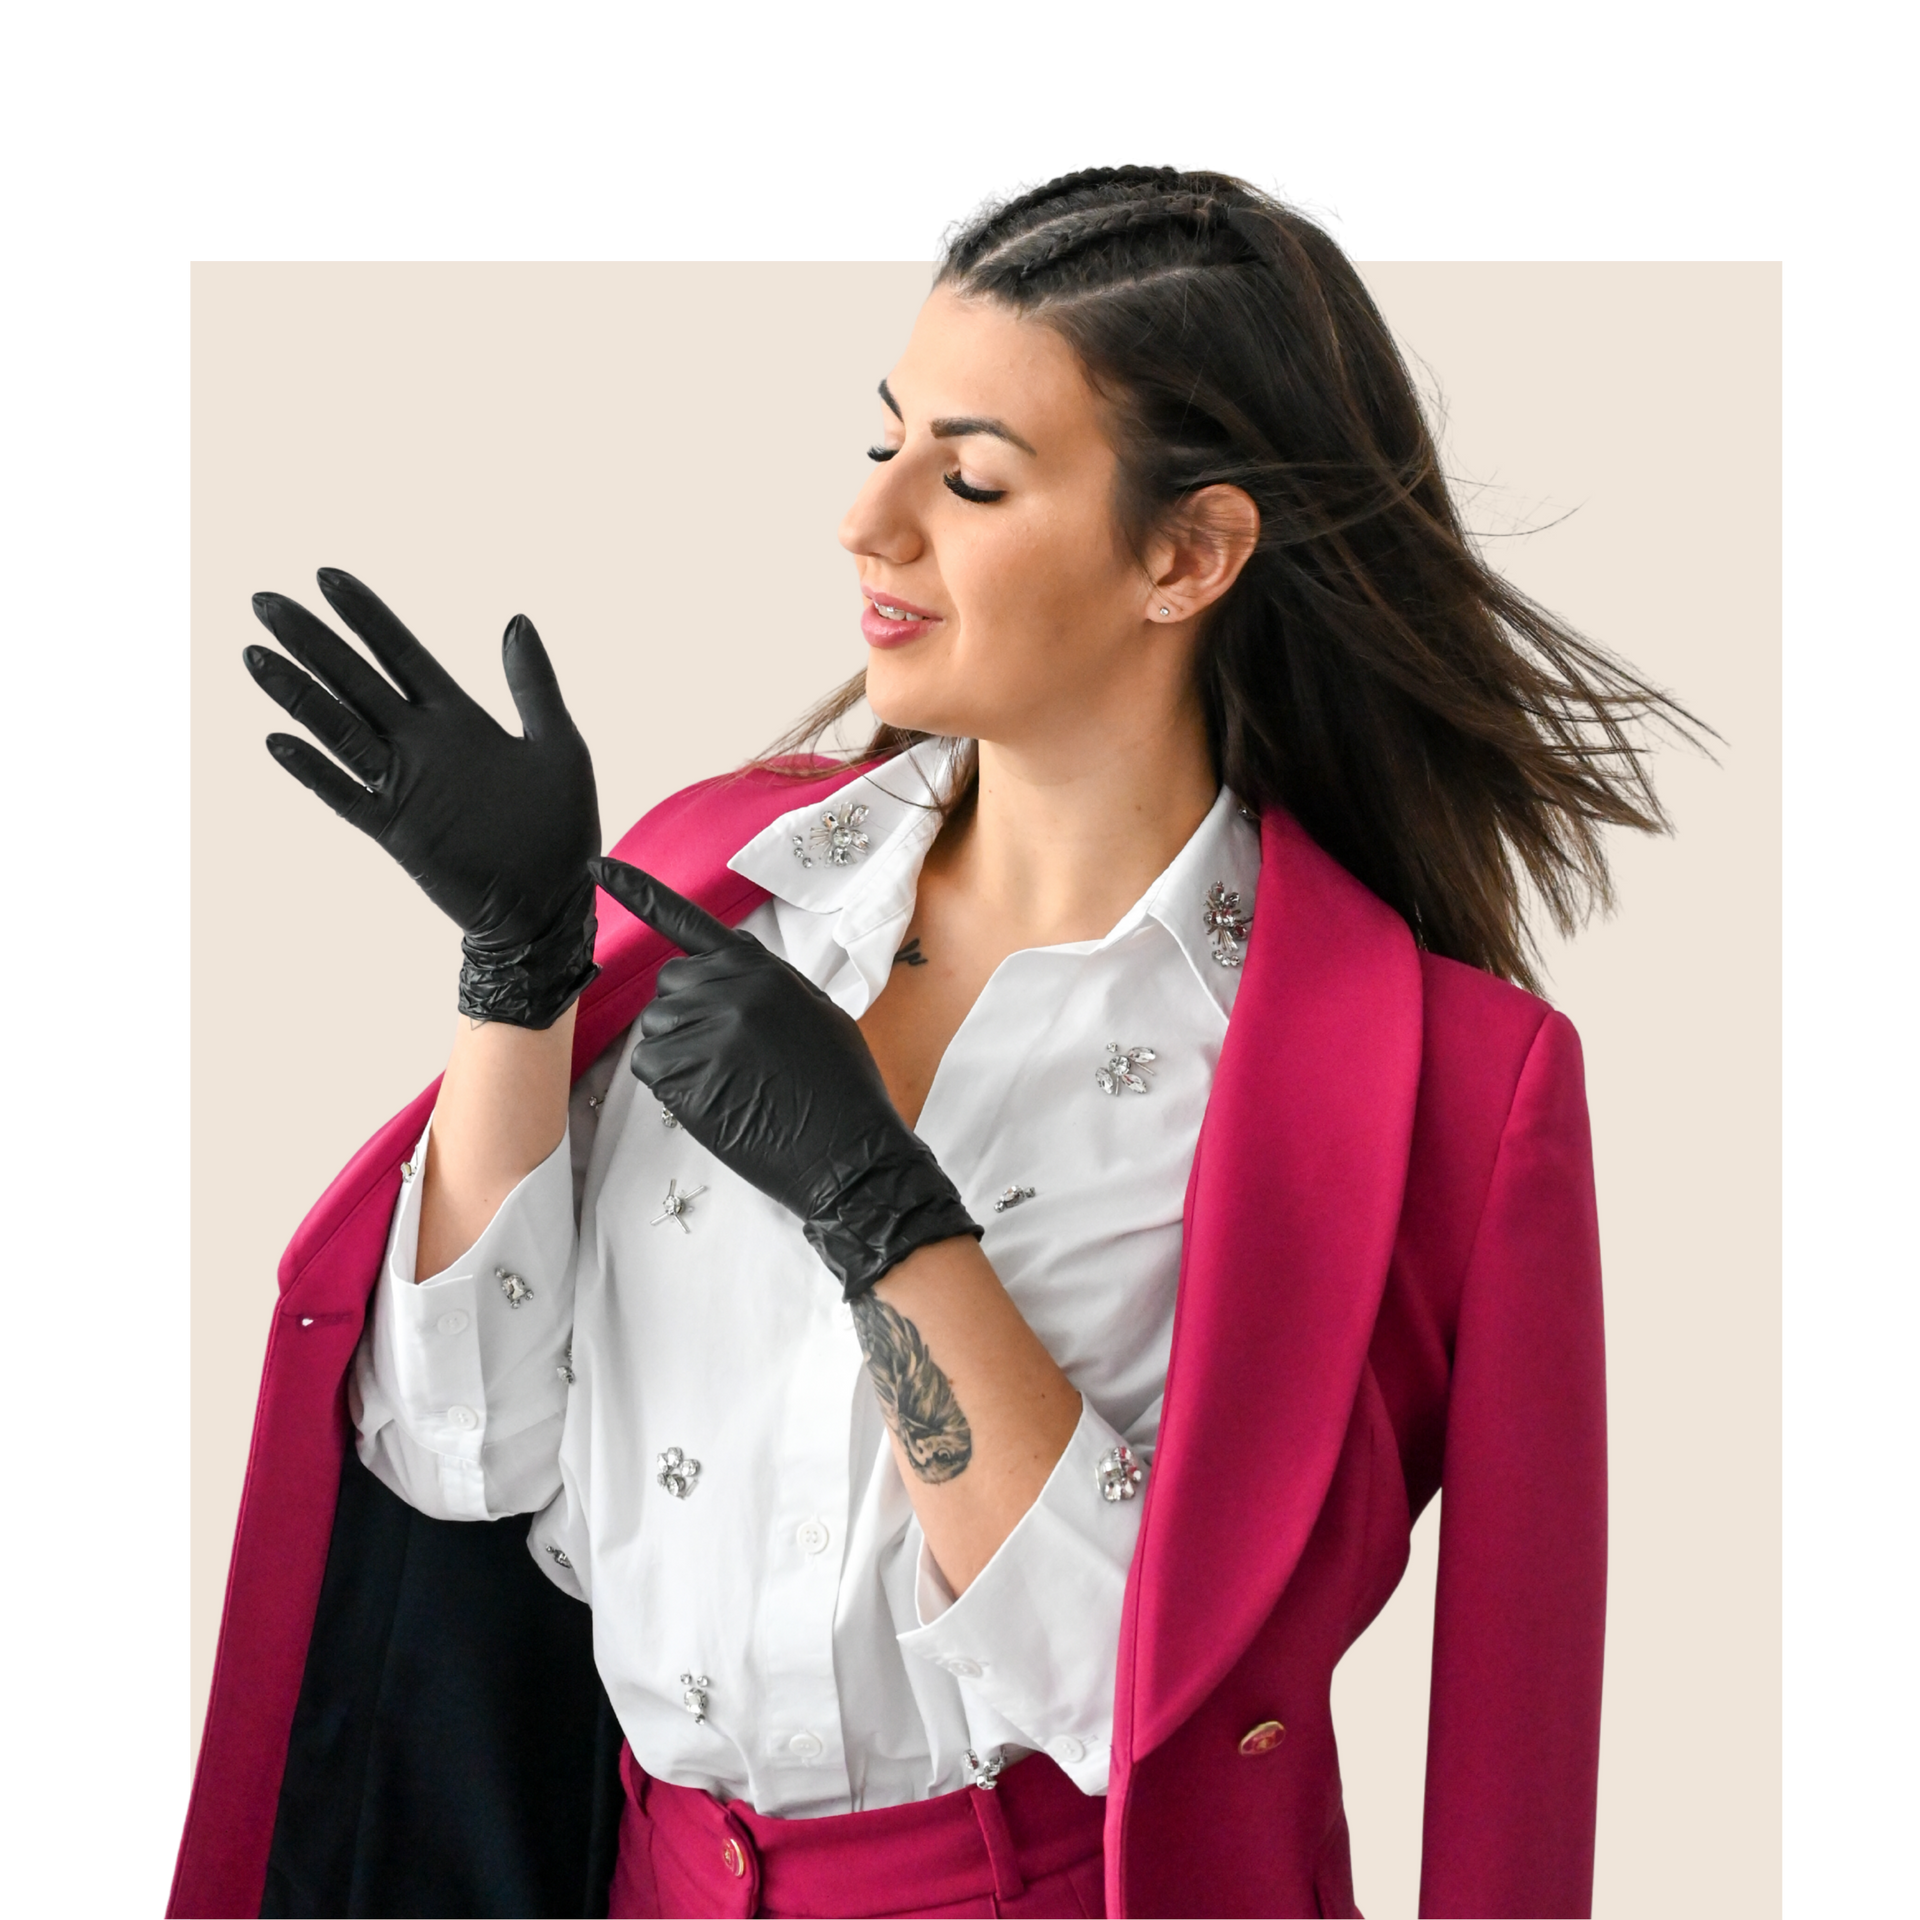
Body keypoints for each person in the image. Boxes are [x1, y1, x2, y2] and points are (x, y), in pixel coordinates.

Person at [173, 165, 1699, 1920]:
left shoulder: (1445, 1087)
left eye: (970, 478)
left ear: (1188, 554)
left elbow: (1164, 1700)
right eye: (884, 439)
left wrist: (877, 1209)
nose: (868, 521)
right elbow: (463, 1457)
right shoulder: (716, 890)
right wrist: (515, 980)